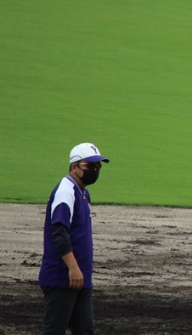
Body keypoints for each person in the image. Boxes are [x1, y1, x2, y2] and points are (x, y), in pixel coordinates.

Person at [38, 143, 110, 335]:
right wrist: (73, 268)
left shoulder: (83, 193)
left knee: (85, 330)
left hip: (80, 278)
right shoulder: (65, 191)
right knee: (54, 331)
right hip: (62, 277)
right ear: (74, 167)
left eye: (98, 166)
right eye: (90, 166)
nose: (95, 170)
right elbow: (59, 233)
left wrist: (80, 271)